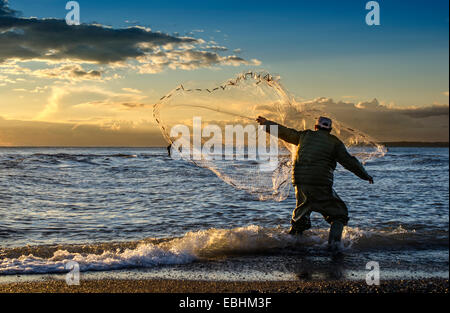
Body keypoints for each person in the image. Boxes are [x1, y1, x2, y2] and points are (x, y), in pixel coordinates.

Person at [256, 116, 374, 251]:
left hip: (300, 182)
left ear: (315, 127)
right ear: (330, 129)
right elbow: (349, 162)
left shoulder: (304, 136)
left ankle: (290, 245)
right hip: (321, 183)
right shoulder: (335, 142)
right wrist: (365, 176)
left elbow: (285, 132)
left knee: (300, 216)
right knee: (339, 214)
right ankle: (334, 246)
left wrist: (266, 123)